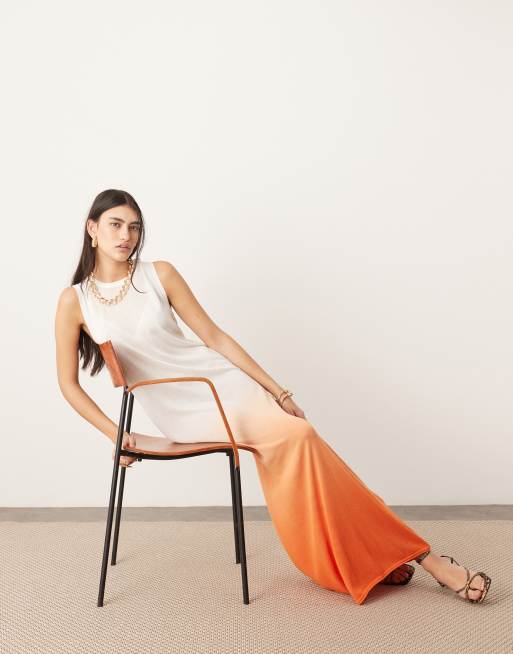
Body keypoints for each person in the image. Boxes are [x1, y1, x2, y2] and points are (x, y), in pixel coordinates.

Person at [54, 189, 491, 605]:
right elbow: (68, 385)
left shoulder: (159, 274)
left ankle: (397, 555)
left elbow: (214, 338)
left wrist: (277, 391)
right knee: (302, 440)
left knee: (303, 440)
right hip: (183, 410)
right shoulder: (75, 302)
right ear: (92, 228)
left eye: (134, 227)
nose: (126, 236)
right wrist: (116, 434)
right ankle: (420, 557)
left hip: (225, 384)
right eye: (115, 225)